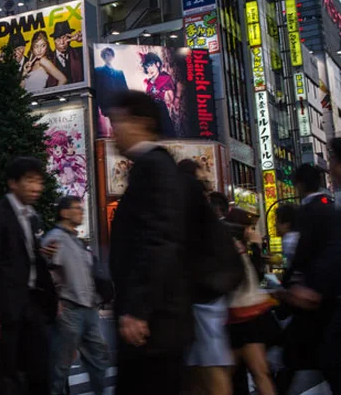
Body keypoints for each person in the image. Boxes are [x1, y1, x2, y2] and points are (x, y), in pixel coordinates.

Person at [107, 91, 192, 394]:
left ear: (141, 123)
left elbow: (159, 240)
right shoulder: (154, 166)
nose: (112, 130)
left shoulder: (153, 167)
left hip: (153, 326)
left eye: (116, 122)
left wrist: (139, 309)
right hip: (153, 323)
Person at [0, 156, 58, 395]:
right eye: (30, 181)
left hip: (33, 305)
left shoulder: (33, 217)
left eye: (40, 182)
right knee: (7, 374)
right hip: (6, 309)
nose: (37, 188)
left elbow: (25, 258)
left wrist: (42, 253)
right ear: (13, 183)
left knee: (40, 370)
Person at [179, 160, 236, 395]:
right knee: (195, 370)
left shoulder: (192, 208)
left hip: (203, 299)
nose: (207, 177)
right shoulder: (202, 208)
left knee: (209, 368)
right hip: (206, 297)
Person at [42, 196, 109, 395]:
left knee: (98, 358)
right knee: (60, 366)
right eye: (76, 208)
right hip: (69, 309)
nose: (81, 211)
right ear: (63, 212)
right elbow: (48, 272)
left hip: (88, 309)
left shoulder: (76, 241)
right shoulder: (55, 238)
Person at [280, 164, 336, 390]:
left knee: (304, 355)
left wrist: (286, 287)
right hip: (328, 293)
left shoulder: (307, 212)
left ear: (300, 185)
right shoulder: (332, 207)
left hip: (311, 295)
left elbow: (301, 256)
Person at [227, 217, 277, 395]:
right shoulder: (241, 250)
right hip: (250, 315)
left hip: (236, 316)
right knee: (259, 373)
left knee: (223, 377)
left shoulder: (233, 249)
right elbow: (264, 279)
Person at [94, 47, 128, 136]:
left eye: (109, 55)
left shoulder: (119, 72)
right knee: (115, 124)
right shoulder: (98, 71)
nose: (107, 57)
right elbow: (98, 88)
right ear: (103, 57)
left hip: (120, 103)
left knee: (122, 123)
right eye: (105, 55)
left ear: (113, 56)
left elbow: (125, 88)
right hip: (108, 103)